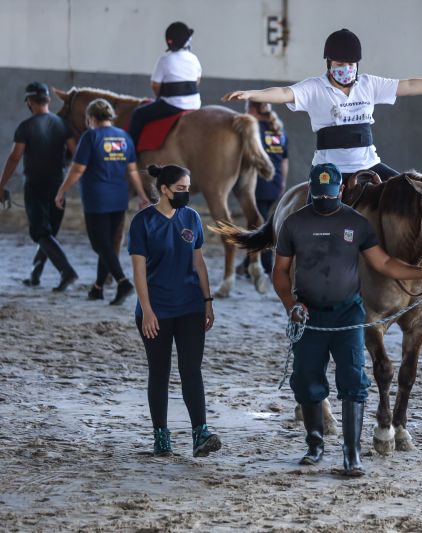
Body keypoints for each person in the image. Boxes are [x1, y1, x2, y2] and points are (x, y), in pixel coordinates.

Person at [273, 163, 422, 476]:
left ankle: (351, 454)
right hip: (309, 313)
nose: (325, 199)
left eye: (330, 193)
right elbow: (280, 271)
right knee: (308, 379)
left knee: (353, 382)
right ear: (312, 191)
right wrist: (290, 303)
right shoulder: (294, 224)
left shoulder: (357, 223)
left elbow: (386, 264)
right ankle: (315, 445)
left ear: (341, 190)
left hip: (348, 313)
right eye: (319, 194)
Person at [223, 28, 422, 184]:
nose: (345, 69)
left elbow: (409, 86)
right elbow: (282, 92)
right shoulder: (314, 88)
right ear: (329, 64)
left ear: (357, 64)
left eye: (350, 64)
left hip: (370, 165)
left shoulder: (370, 85)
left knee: (413, 192)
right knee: (312, 218)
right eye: (339, 65)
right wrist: (252, 93)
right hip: (329, 170)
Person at [128, 163, 221, 458]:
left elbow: (199, 263)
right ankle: (161, 437)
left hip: (190, 307)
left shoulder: (191, 217)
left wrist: (208, 300)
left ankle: (200, 433)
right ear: (164, 189)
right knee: (160, 372)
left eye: (188, 188)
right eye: (180, 189)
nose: (186, 193)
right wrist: (147, 310)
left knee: (191, 370)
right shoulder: (142, 222)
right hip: (157, 310)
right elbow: (138, 272)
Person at [55, 99, 150, 305]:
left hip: (97, 199)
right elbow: (132, 170)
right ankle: (98, 288)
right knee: (107, 244)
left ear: (90, 118)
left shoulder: (90, 136)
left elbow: (78, 169)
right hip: (119, 198)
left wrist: (62, 190)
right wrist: (142, 194)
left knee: (100, 244)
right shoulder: (124, 137)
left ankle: (123, 282)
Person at [0, 81, 79, 290]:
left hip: (35, 186)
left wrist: (1, 184)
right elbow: (76, 154)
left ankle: (66, 270)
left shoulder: (25, 127)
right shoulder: (62, 125)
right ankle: (35, 274)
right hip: (58, 185)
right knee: (48, 232)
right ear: (48, 100)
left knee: (41, 232)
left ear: (30, 102)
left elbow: (15, 157)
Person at [128, 21, 202, 146]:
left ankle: (130, 156)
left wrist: (161, 96)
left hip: (172, 105)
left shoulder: (165, 59)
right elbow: (197, 81)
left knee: (137, 114)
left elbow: (155, 85)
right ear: (186, 41)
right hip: (195, 104)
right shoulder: (194, 58)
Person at [236, 100, 288, 275]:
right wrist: (282, 182)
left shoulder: (253, 128)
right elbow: (285, 160)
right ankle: (247, 263)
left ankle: (265, 264)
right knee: (261, 220)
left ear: (251, 109)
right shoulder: (278, 129)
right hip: (276, 181)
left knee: (259, 224)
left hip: (259, 180)